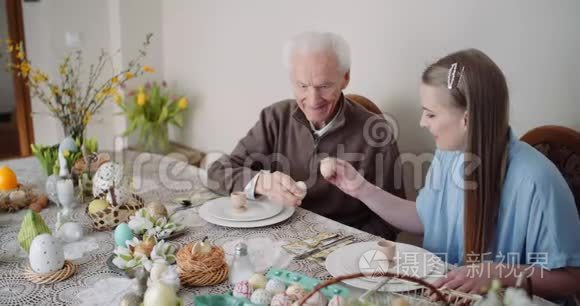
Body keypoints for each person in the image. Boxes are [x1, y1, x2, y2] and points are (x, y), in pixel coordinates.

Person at [322, 49, 580, 299]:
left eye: (431, 113)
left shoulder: (537, 181)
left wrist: (500, 274)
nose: (423, 122)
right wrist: (360, 189)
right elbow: (425, 219)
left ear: (467, 119)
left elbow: (570, 279)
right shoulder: (450, 155)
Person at [207, 32, 404, 239]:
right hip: (278, 238)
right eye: (302, 86)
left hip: (342, 247)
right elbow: (218, 171)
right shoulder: (275, 117)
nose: (312, 100)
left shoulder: (376, 131)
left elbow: (390, 220)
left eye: (324, 86)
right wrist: (261, 183)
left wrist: (348, 248)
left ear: (345, 77)